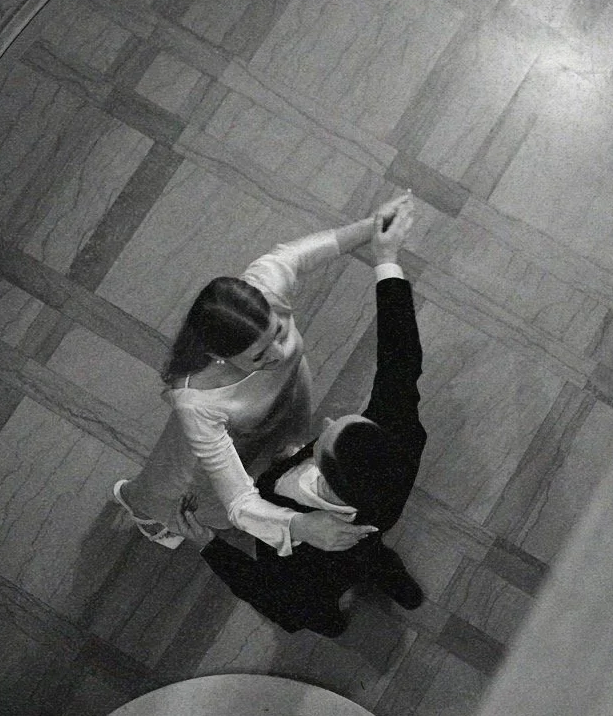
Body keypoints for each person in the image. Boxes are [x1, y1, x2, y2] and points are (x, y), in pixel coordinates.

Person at [196, 191, 427, 637]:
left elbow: (274, 595)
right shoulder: (399, 439)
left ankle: (336, 623)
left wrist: (209, 546)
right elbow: (401, 360)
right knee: (372, 552)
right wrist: (386, 258)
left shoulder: (305, 557)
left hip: (316, 575)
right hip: (371, 527)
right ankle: (388, 573)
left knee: (316, 614)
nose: (323, 422)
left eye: (324, 439)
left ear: (322, 470)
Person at [112, 204, 401, 552]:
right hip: (235, 435)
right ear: (221, 357)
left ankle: (281, 456)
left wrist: (372, 227)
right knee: (188, 492)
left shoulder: (265, 283)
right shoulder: (197, 402)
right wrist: (300, 526)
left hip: (286, 400)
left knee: (282, 451)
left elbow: (296, 255)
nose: (279, 355)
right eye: (260, 356)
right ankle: (143, 509)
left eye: (278, 333)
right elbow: (237, 499)